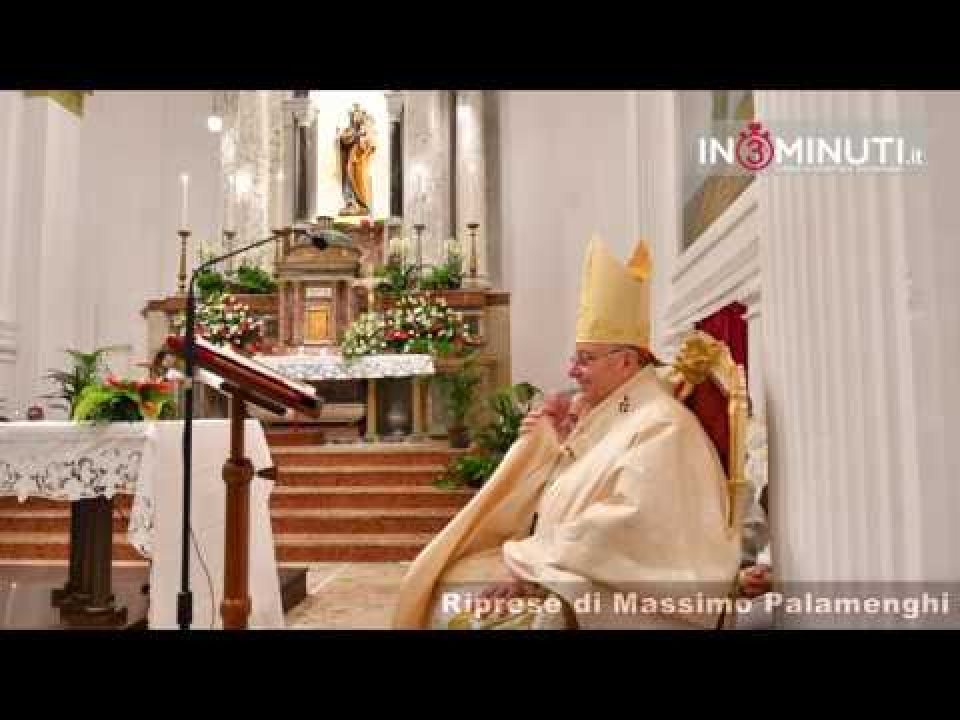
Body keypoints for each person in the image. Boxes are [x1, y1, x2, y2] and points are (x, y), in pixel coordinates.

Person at [392, 237, 741, 630]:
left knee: (464, 609)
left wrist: (532, 569)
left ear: (625, 362)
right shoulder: (618, 409)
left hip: (623, 596)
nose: (572, 369)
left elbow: (631, 525)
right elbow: (584, 483)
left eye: (585, 359)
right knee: (451, 575)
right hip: (574, 564)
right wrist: (551, 445)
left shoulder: (663, 426)